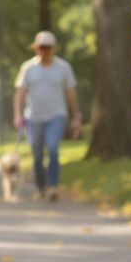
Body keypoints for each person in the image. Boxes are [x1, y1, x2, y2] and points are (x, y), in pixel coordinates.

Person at [14, 30, 81, 202]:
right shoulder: (28, 67)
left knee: (52, 148)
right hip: (33, 117)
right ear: (36, 48)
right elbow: (20, 93)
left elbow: (71, 93)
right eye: (41, 47)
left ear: (54, 48)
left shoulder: (63, 67)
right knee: (37, 155)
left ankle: (52, 186)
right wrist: (18, 114)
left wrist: (76, 115)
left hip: (56, 115)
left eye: (48, 48)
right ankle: (40, 187)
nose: (44, 51)